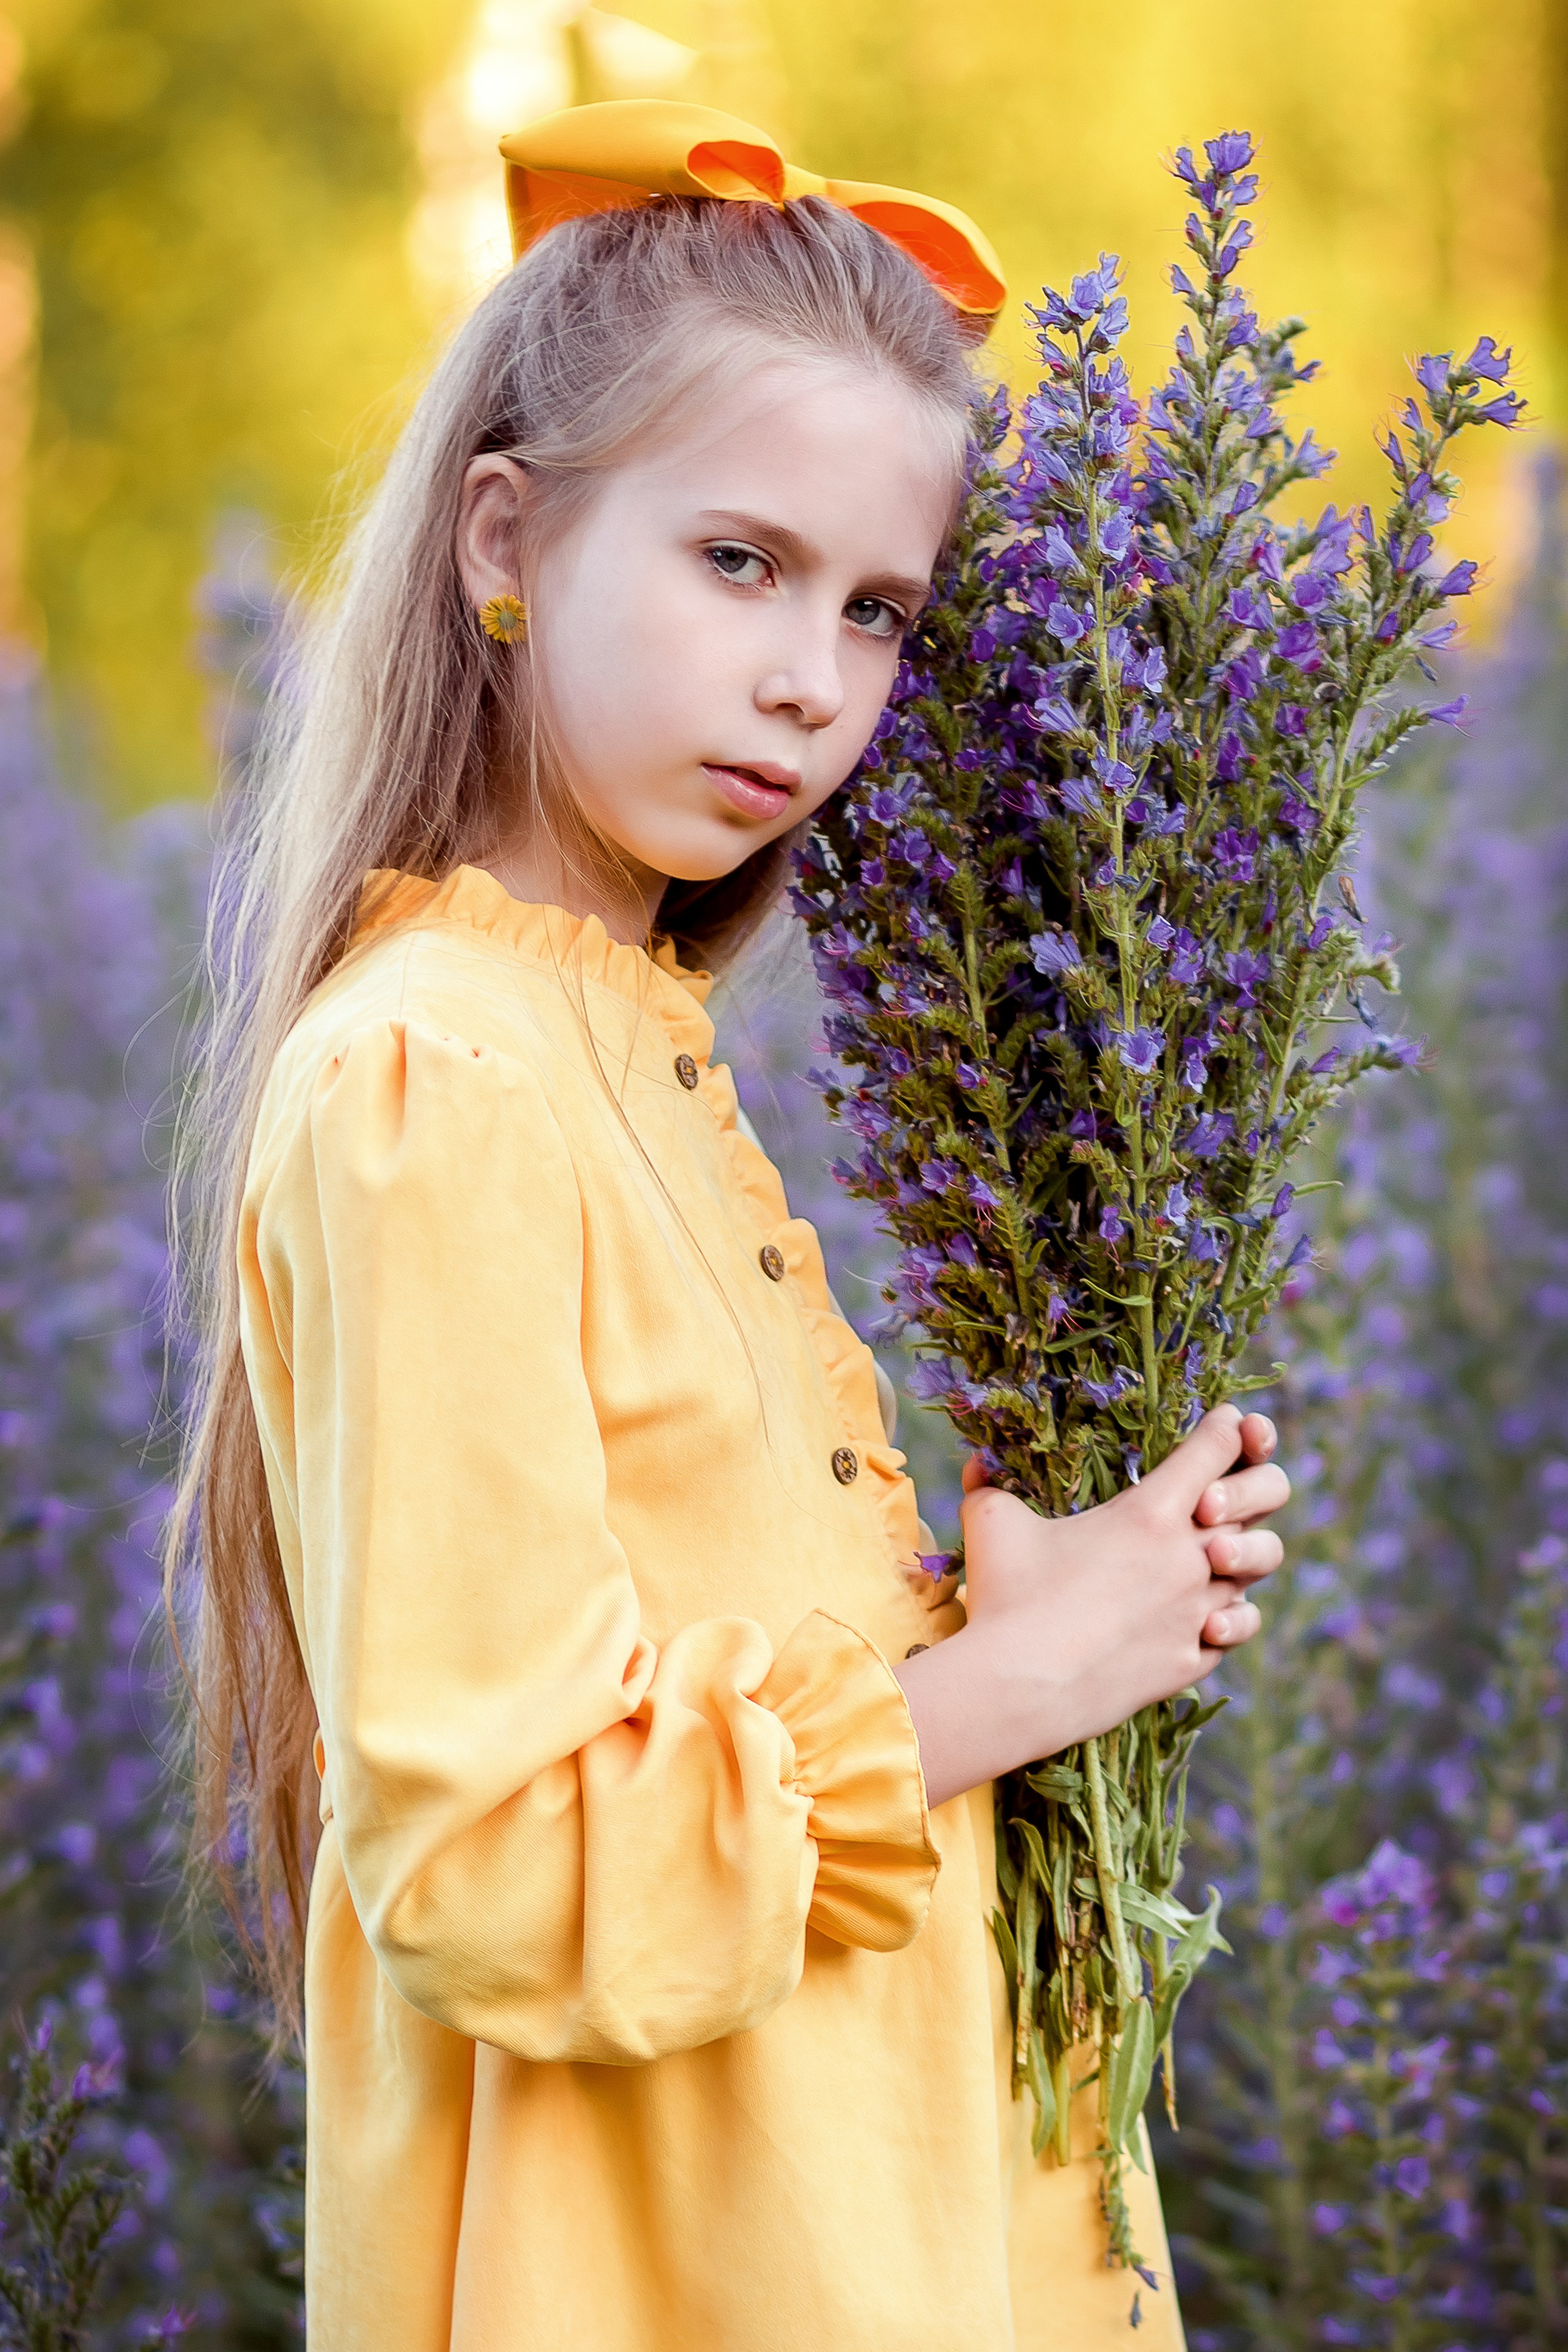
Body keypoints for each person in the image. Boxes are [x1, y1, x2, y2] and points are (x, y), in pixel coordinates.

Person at [170, 99, 1289, 2352]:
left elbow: (720, 1661)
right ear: (506, 538)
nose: (815, 682)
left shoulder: (630, 1051)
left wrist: (1017, 1609)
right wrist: (1024, 1677)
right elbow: (504, 1861)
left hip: (862, 2229)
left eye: (879, 609)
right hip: (674, 2270)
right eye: (740, 563)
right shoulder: (438, 1084)